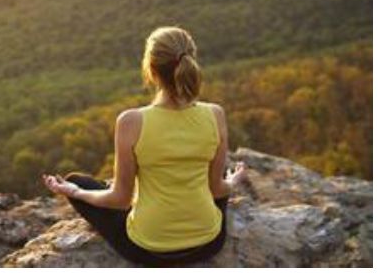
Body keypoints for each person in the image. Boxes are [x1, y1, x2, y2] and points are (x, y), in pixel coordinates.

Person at [42, 26, 247, 267]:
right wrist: (233, 181)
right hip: (208, 243)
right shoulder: (215, 114)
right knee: (219, 171)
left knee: (77, 180)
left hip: (149, 250)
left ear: (151, 69)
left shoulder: (131, 121)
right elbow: (217, 190)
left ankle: (81, 187)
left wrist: (75, 192)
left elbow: (120, 199)